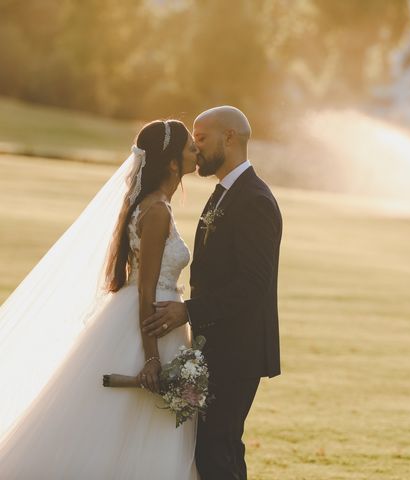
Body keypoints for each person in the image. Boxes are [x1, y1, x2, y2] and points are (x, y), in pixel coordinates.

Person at [0, 120, 200, 479]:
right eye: (190, 148)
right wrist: (152, 358)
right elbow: (146, 288)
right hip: (152, 323)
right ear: (172, 163)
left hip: (152, 319)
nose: (196, 152)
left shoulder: (155, 206)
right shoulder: (156, 212)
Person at [143, 106, 283, 480]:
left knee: (215, 451)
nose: (195, 146)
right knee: (219, 450)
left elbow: (253, 285)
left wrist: (186, 311)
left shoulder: (254, 200)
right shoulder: (224, 193)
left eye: (201, 137)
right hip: (217, 344)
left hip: (239, 350)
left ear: (230, 138)